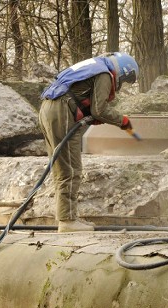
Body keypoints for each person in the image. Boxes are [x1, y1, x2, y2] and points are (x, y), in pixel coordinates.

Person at [39, 52, 139, 233]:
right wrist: (121, 120)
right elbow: (99, 109)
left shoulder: (95, 65)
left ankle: (67, 216)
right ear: (123, 71)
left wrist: (90, 117)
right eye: (124, 81)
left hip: (48, 109)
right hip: (60, 111)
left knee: (62, 167)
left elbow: (80, 96)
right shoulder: (105, 74)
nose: (120, 86)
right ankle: (67, 221)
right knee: (69, 168)